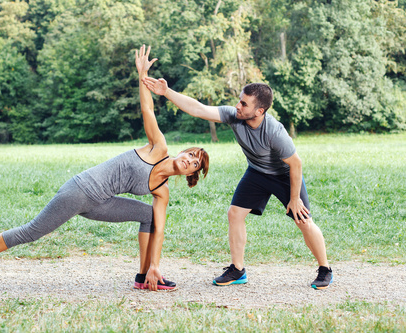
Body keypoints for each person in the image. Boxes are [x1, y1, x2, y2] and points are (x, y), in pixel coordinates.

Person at [0, 45, 209, 293]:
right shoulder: (158, 148)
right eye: (190, 154)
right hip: (81, 190)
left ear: (190, 175)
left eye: (194, 163)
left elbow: (159, 230)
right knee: (32, 231)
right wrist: (142, 75)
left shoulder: (162, 192)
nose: (189, 160)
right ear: (181, 152)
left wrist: (155, 266)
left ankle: (144, 276)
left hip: (101, 203)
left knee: (150, 216)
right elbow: (147, 109)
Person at [142, 76, 332, 290]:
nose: (237, 106)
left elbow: (296, 164)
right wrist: (166, 92)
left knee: (303, 220)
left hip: (284, 175)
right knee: (235, 213)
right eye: (239, 100)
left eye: (244, 103)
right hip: (257, 173)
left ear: (259, 111)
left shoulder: (274, 132)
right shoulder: (235, 116)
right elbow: (198, 108)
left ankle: (325, 270)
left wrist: (295, 199)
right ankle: (238, 270)